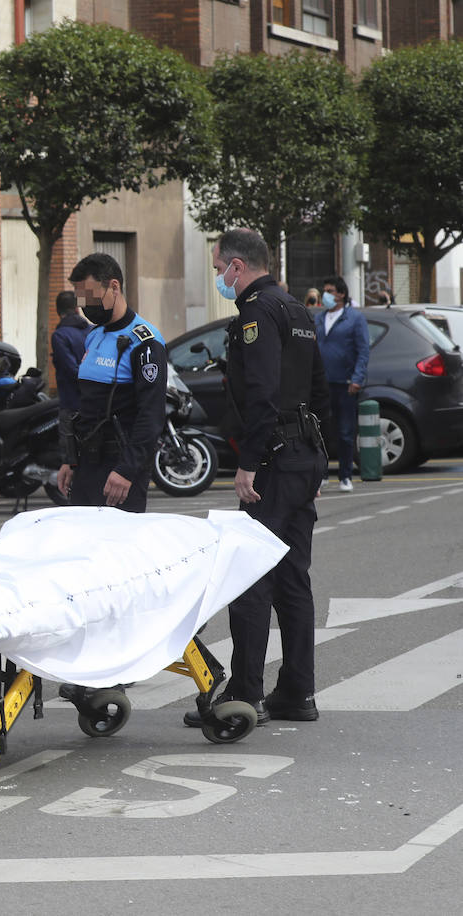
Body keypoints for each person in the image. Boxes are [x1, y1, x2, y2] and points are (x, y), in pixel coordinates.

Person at [183, 228, 329, 729]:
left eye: (220, 267)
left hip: (274, 459)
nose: (220, 276)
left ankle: (246, 694)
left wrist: (249, 461)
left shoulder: (256, 313)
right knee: (293, 577)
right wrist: (322, 456)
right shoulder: (296, 309)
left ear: (237, 267)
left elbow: (262, 391)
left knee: (251, 579)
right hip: (302, 453)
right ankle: (297, 692)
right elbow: (319, 389)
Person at [56, 253, 167, 512]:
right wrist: (70, 460)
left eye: (91, 297)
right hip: (87, 464)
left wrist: (127, 470)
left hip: (120, 468)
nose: (86, 305)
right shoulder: (93, 336)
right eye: (81, 298)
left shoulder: (145, 341)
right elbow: (84, 409)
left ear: (114, 287)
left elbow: (150, 415)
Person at [315, 275, 370, 492]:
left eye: (329, 290)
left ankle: (345, 475)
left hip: (345, 383)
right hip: (321, 384)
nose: (325, 295)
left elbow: (363, 351)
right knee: (320, 431)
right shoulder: (319, 319)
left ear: (341, 294)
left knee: (345, 431)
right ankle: (322, 474)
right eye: (324, 290)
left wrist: (357, 378)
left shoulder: (354, 318)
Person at [50, 289, 88, 412]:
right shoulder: (93, 331)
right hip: (95, 402)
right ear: (77, 309)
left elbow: (71, 370)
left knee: (67, 431)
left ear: (58, 311)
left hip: (71, 404)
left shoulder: (59, 336)